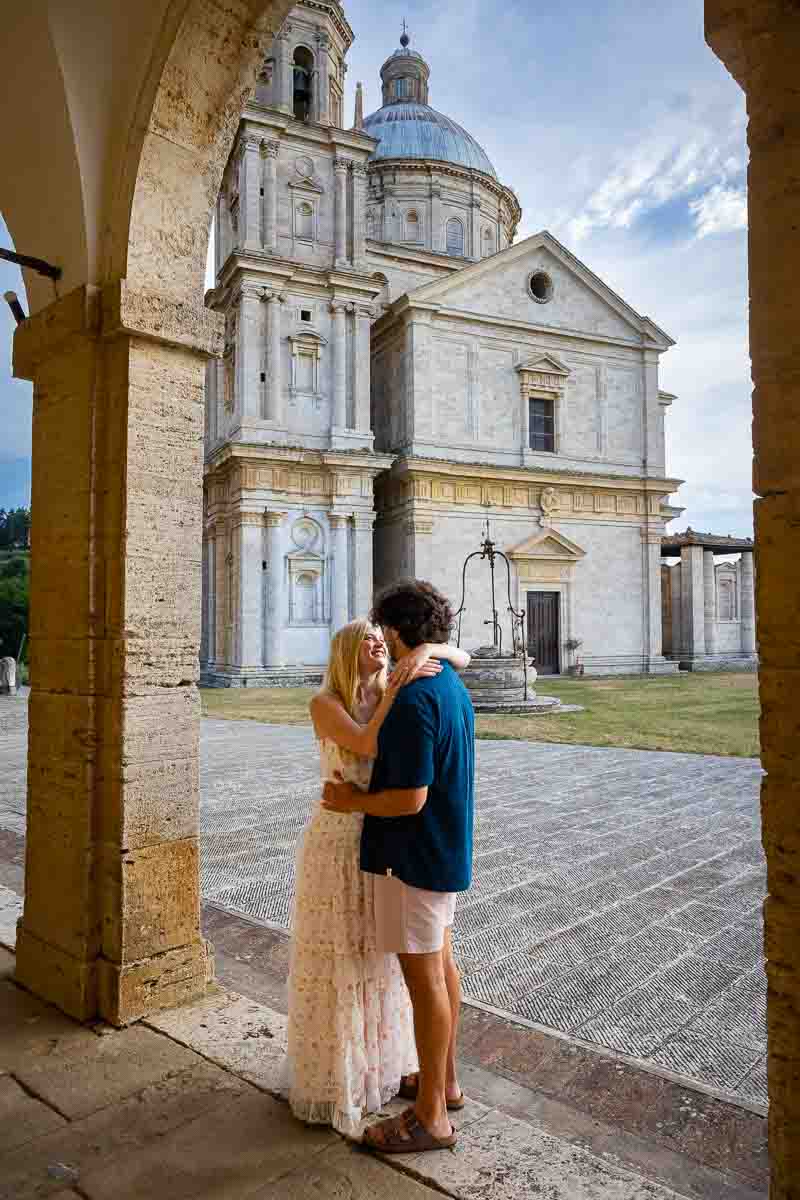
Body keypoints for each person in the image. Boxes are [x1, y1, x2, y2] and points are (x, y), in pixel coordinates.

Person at [287, 618, 470, 1137]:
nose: (377, 643)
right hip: (341, 840)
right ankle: (340, 1075)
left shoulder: (408, 686)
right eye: (366, 638)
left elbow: (465, 658)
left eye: (381, 636)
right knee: (345, 955)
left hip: (383, 838)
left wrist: (429, 649)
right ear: (347, 652)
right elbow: (367, 745)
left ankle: (392, 1068)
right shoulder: (327, 702)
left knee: (386, 963)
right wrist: (397, 685)